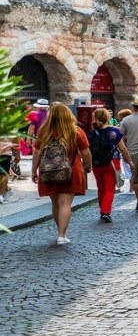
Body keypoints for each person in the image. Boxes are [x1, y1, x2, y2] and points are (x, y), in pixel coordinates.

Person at [31, 102, 92, 244]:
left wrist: (34, 170)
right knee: (65, 203)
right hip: (70, 170)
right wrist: (88, 165)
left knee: (55, 204)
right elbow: (86, 152)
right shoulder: (75, 131)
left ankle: (60, 232)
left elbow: (37, 153)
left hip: (49, 171)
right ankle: (61, 235)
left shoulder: (44, 131)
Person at [88, 108, 131, 222]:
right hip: (112, 162)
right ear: (107, 117)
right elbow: (123, 148)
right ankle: (105, 211)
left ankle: (102, 209)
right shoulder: (114, 131)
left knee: (100, 187)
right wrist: (129, 161)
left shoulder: (91, 132)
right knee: (109, 188)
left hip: (96, 162)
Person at [0, 136, 19, 204]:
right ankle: (7, 190)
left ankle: (0, 195)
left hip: (5, 153)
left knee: (3, 174)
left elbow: (16, 140)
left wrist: (18, 154)